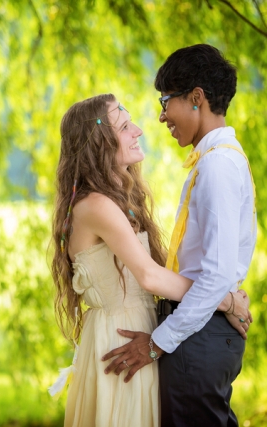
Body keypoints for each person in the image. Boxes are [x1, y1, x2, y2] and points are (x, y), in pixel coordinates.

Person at [49, 93, 250, 427]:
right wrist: (225, 300)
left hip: (141, 335)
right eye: (126, 126)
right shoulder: (96, 205)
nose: (139, 130)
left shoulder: (119, 200)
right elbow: (152, 277)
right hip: (120, 342)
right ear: (100, 142)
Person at [102, 44, 256, 427]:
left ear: (196, 98)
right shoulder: (216, 159)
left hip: (199, 335)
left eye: (165, 101)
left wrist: (155, 344)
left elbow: (216, 275)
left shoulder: (218, 166)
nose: (160, 116)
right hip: (203, 328)